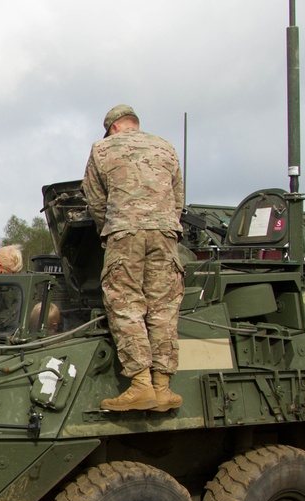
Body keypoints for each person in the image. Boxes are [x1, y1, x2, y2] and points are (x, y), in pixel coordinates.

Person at [82, 104, 185, 412]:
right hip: (166, 233)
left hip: (125, 233)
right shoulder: (166, 147)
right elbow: (178, 198)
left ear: (113, 128)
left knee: (125, 303)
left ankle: (141, 385)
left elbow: (95, 199)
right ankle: (163, 388)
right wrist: (164, 225)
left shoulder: (102, 149)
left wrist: (110, 229)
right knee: (163, 306)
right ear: (134, 125)